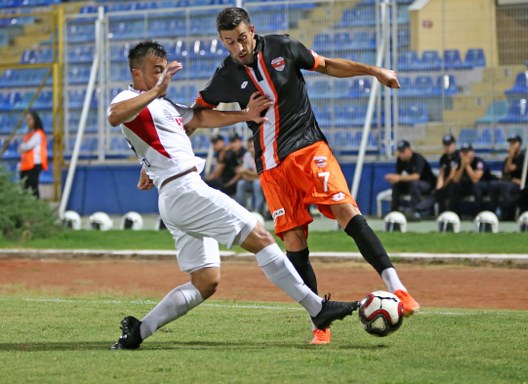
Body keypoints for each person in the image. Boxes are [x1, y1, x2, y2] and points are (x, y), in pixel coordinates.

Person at [108, 41, 357, 350]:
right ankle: (318, 309)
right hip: (185, 191)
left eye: (163, 70)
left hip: (176, 196)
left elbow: (199, 118)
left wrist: (246, 115)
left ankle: (139, 331)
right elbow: (115, 116)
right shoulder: (129, 98)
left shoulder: (164, 105)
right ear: (136, 72)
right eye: (155, 71)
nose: (161, 76)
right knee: (261, 237)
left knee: (206, 282)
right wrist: (155, 93)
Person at [193, 7, 420, 345]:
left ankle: (398, 290)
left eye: (241, 38)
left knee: (346, 211)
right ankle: (320, 322)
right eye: (229, 42)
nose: (238, 47)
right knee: (295, 241)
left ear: (252, 31)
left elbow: (326, 65)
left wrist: (374, 71)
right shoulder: (225, 75)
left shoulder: (284, 47)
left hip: (310, 150)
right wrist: (242, 114)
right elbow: (197, 113)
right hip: (271, 168)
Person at [384, 139, 436, 219]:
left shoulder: (418, 158)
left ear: (409, 149)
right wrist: (394, 178)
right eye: (400, 152)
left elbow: (416, 176)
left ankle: (417, 211)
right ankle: (394, 210)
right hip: (412, 185)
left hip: (427, 185)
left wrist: (398, 178)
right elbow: (398, 175)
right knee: (397, 184)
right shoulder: (400, 160)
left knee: (413, 183)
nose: (401, 154)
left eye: (403, 151)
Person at [487, 134, 528, 221]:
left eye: (514, 143)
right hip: (508, 182)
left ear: (519, 145)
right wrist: (510, 156)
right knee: (492, 184)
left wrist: (511, 155)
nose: (511, 145)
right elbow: (506, 172)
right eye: (510, 143)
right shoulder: (508, 159)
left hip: (519, 185)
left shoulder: (523, 158)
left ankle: (509, 214)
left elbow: (511, 169)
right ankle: (493, 212)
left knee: (505, 187)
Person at [449, 143, 495, 217]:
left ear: (472, 153)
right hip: (467, 186)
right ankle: (455, 215)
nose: (465, 155)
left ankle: (477, 214)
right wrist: (462, 166)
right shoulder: (459, 162)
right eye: (463, 153)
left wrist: (467, 165)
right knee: (454, 186)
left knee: (476, 187)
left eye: (467, 152)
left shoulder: (479, 162)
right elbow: (455, 180)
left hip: (482, 187)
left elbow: (475, 179)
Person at [18, 110, 48, 199]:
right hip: (26, 164)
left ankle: (37, 205)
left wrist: (23, 147)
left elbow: (27, 146)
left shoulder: (38, 134)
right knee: (25, 186)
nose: (28, 121)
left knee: (33, 186)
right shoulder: (29, 134)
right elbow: (22, 147)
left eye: (30, 119)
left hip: (34, 164)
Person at [234, 137, 266, 216]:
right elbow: (243, 175)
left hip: (265, 182)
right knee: (241, 183)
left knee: (257, 183)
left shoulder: (263, 155)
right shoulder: (247, 155)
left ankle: (258, 212)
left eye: (253, 146)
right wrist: (253, 175)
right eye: (249, 147)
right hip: (253, 181)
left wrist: (247, 172)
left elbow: (262, 174)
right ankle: (241, 211)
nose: (251, 149)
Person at [434, 134, 460, 214]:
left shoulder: (458, 156)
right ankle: (441, 214)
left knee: (452, 188)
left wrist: (443, 186)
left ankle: (454, 214)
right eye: (445, 145)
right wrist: (439, 187)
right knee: (438, 192)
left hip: (457, 182)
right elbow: (441, 174)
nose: (447, 147)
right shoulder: (443, 158)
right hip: (447, 182)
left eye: (449, 145)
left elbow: (452, 175)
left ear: (454, 145)